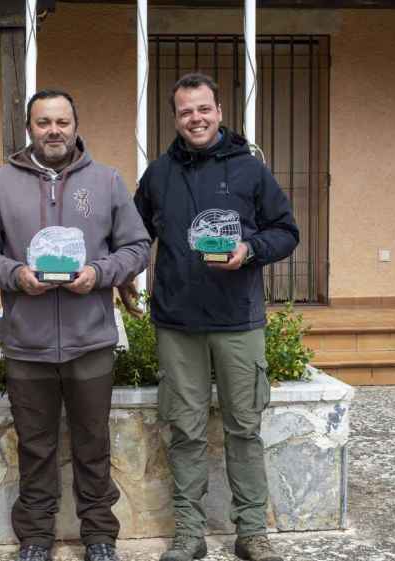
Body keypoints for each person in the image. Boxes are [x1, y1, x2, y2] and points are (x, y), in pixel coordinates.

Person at [0, 89, 150, 561]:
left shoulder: (106, 181)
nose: (53, 130)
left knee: (93, 444)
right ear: (29, 128)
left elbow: (137, 246)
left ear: (76, 125)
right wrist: (15, 275)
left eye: (62, 121)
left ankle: (100, 536)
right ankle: (36, 538)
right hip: (27, 344)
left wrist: (101, 274)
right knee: (36, 447)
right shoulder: (0, 182)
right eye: (43, 122)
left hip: (91, 342)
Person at [124, 73, 299, 561]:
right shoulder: (158, 174)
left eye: (203, 109)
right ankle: (189, 534)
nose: (195, 119)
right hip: (177, 323)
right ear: (175, 117)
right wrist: (119, 277)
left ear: (219, 112)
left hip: (238, 321)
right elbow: (135, 239)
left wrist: (251, 248)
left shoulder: (250, 170)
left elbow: (286, 230)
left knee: (244, 428)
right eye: (185, 111)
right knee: (186, 430)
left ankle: (251, 532)